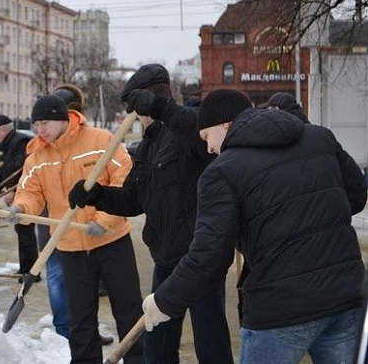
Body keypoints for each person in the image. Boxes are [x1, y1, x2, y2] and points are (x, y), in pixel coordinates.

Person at [140, 89, 367, 363]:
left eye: (206, 137)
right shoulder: (320, 138)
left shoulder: (221, 172)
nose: (209, 148)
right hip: (345, 296)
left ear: (224, 124)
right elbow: (355, 196)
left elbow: (209, 257)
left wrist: (163, 301)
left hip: (281, 310)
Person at [68, 64, 233, 364]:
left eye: (134, 105)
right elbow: (133, 200)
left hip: (199, 260)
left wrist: (162, 107)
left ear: (145, 102)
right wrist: (97, 196)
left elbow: (199, 133)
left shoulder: (189, 130)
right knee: (157, 347)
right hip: (166, 260)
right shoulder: (146, 148)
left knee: (211, 345)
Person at [9, 95, 144, 363]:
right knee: (80, 319)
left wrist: (104, 220)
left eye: (45, 122)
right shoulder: (37, 157)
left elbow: (124, 181)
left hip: (112, 241)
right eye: (36, 124)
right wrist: (21, 209)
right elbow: (30, 191)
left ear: (62, 118)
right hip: (70, 246)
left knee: (128, 312)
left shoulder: (100, 141)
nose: (40, 130)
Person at [0, 115, 39, 281]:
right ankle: (25, 268)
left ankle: (32, 272)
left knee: (26, 229)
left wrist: (12, 189)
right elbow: (3, 171)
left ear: (2, 130)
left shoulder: (20, 142)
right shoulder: (7, 145)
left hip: (26, 192)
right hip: (17, 191)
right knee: (20, 228)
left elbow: (21, 168)